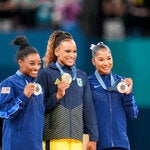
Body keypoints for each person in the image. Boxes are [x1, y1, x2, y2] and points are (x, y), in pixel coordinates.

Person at [36, 30, 99, 150]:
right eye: (68, 51)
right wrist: (57, 96)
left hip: (76, 138)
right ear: (57, 51)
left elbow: (89, 108)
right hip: (54, 138)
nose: (72, 55)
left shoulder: (81, 76)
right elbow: (38, 107)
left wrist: (93, 137)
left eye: (75, 51)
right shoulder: (45, 74)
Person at [88, 42, 138, 150]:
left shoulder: (122, 83)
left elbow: (133, 115)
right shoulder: (88, 83)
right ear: (93, 61)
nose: (106, 63)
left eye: (109, 58)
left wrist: (128, 94)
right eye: (101, 59)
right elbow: (85, 115)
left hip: (121, 144)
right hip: (99, 145)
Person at [0, 36, 45, 150]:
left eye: (39, 63)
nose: (36, 67)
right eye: (32, 63)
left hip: (35, 144)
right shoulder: (9, 83)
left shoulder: (38, 85)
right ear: (20, 62)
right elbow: (3, 112)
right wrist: (23, 96)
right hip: (15, 144)